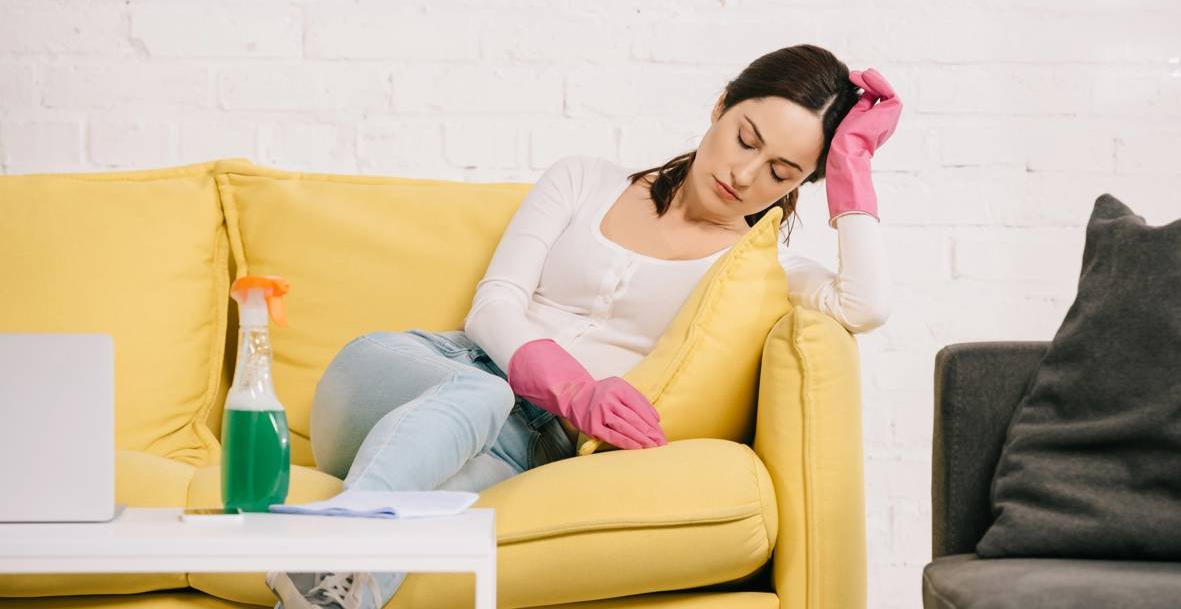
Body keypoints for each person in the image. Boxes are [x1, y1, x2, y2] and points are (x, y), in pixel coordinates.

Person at [264, 44, 900, 609]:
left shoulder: (760, 270)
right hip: (418, 373)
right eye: (746, 139)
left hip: (520, 450)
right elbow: (493, 306)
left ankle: (320, 581)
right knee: (482, 393)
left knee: (424, 529)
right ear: (721, 106)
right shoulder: (584, 180)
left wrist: (852, 164)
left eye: (781, 174)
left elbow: (863, 306)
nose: (744, 175)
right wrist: (575, 389)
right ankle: (331, 549)